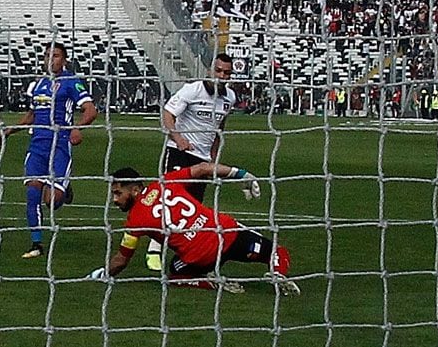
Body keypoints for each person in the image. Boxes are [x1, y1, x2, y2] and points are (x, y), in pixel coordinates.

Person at [87, 164, 300, 296]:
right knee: (277, 252)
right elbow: (202, 169)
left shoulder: (134, 221)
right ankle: (277, 272)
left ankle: (211, 281)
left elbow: (121, 261)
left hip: (200, 257)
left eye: (117, 193)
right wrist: (241, 174)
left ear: (134, 189)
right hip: (227, 234)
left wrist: (103, 274)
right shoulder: (165, 182)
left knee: (175, 273)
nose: (115, 200)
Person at [0, 42, 97, 259]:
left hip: (59, 146)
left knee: (51, 201)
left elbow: (91, 110)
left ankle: (65, 192)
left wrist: (77, 128)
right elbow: (32, 114)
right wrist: (10, 131)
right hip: (37, 146)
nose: (51, 59)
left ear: (64, 60)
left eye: (56, 55)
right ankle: (37, 244)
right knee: (32, 192)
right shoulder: (37, 84)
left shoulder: (70, 82)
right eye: (47, 55)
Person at [146, 53, 237, 271]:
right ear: (209, 70)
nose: (221, 76)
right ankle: (153, 249)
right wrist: (178, 139)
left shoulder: (230, 98)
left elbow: (219, 129)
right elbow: (168, 114)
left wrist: (214, 160)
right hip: (180, 154)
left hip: (203, 160)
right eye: (218, 71)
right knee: (170, 201)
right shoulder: (192, 90)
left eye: (226, 73)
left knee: (192, 209)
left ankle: (183, 251)